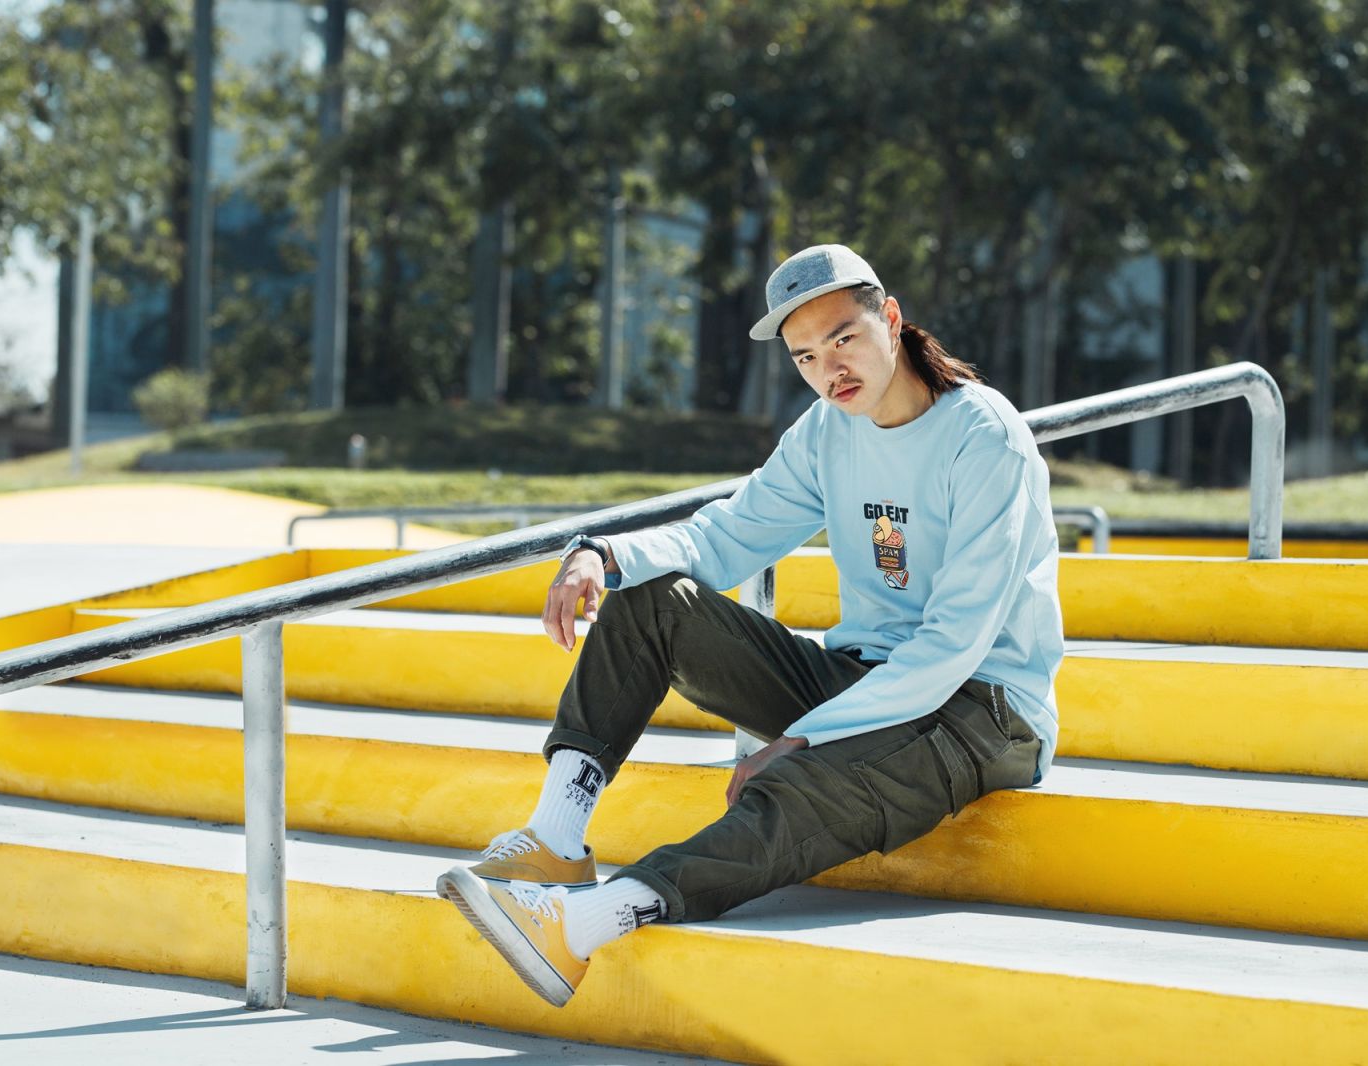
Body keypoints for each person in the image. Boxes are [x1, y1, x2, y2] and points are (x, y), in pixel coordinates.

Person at [436, 243, 1064, 1007]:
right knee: (652, 598)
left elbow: (953, 644)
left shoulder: (984, 437)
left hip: (983, 710)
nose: (830, 370)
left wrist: (805, 738)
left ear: (892, 319)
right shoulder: (828, 431)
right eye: (806, 357)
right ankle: (554, 842)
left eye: (844, 338)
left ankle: (582, 925)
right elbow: (725, 536)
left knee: (800, 780)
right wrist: (604, 554)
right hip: (865, 679)